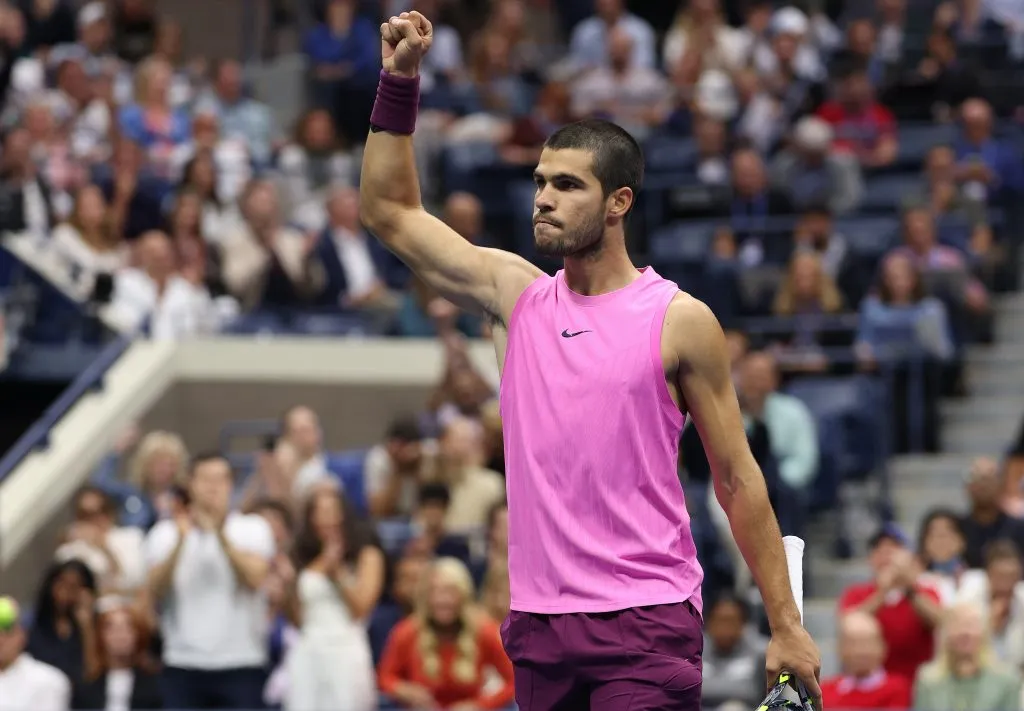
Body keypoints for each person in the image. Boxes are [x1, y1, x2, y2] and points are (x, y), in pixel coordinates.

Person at [359, 12, 821, 710]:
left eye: (568, 185)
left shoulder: (679, 320)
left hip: (646, 620)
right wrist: (398, 82)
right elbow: (390, 211)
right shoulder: (514, 297)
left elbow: (736, 478)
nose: (544, 197)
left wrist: (785, 625)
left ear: (618, 202)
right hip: (539, 628)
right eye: (541, 181)